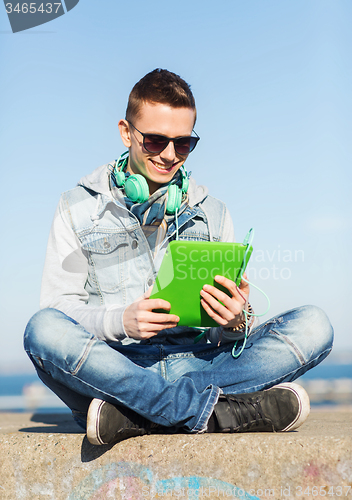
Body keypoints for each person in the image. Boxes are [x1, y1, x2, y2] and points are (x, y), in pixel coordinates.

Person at [24, 69, 333, 445]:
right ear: (126, 132)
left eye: (183, 144)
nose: (170, 156)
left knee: (315, 326)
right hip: (116, 366)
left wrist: (236, 321)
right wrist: (119, 321)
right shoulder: (76, 207)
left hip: (199, 364)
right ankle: (216, 414)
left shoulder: (214, 212)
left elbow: (224, 332)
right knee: (41, 330)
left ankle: (136, 415)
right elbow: (59, 308)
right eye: (155, 140)